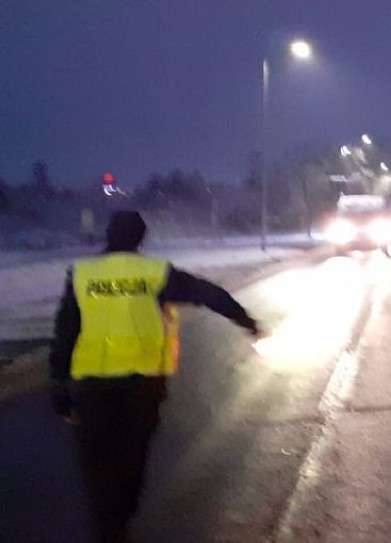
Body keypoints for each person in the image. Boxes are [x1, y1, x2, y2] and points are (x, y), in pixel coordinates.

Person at [49, 210, 262, 543]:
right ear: (140, 238)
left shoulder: (83, 274)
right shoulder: (155, 274)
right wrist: (247, 322)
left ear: (109, 235)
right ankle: (120, 520)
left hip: (91, 386)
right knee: (133, 459)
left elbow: (65, 332)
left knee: (97, 463)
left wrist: (59, 387)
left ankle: (109, 529)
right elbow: (208, 294)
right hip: (142, 386)